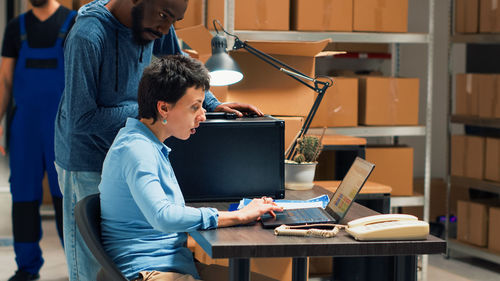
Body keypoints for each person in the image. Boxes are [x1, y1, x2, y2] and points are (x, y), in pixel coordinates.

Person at [54, 0, 263, 280]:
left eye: (174, 20)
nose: (166, 29)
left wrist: (209, 104)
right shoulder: (88, 36)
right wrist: (151, 108)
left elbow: (179, 70)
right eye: (164, 16)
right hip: (86, 157)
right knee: (92, 269)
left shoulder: (155, 23)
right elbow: (81, 118)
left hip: (133, 140)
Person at [99, 54, 282, 281]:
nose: (203, 116)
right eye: (195, 107)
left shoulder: (149, 143)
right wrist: (239, 216)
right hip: (150, 272)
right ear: (164, 108)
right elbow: (163, 216)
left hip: (176, 265)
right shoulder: (137, 150)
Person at [0, 0, 75, 280]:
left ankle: (77, 266)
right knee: (23, 196)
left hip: (64, 127)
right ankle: (27, 268)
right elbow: (5, 80)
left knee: (65, 198)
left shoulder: (74, 24)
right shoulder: (14, 28)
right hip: (25, 127)